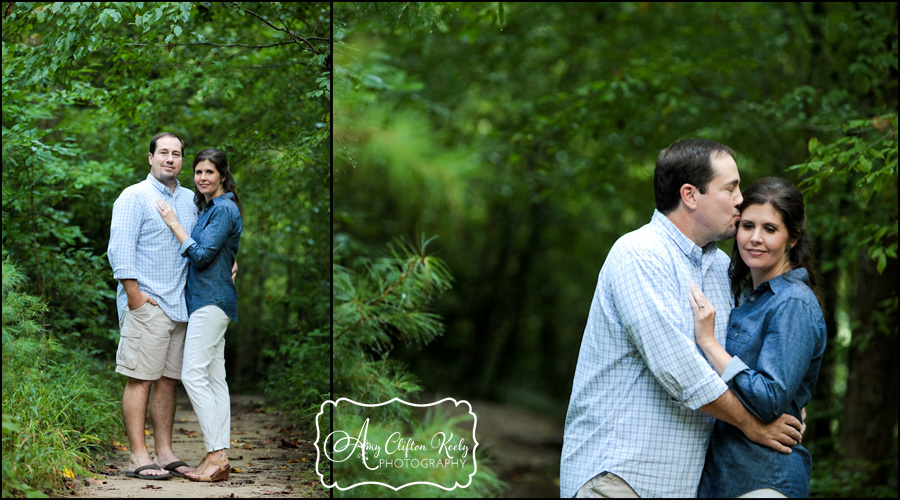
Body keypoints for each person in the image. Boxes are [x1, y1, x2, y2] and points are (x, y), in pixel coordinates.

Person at [560, 138, 804, 498]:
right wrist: (754, 424)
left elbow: (745, 358)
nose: (741, 199)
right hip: (618, 476)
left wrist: (792, 393)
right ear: (690, 195)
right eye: (730, 188)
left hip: (681, 484)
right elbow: (679, 370)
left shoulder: (723, 268)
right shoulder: (639, 254)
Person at [689, 177, 826, 498]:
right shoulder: (747, 297)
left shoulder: (792, 301)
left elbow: (769, 398)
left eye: (770, 229)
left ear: (792, 237)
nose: (755, 238)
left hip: (765, 480)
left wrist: (710, 344)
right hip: (725, 478)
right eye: (747, 225)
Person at [108, 132, 199, 479]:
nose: (170, 159)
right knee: (141, 379)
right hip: (147, 303)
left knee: (167, 381)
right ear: (150, 157)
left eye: (176, 154)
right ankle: (138, 456)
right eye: (164, 152)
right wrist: (135, 297)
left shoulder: (192, 200)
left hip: (181, 305)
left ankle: (164, 452)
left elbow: (198, 245)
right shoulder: (134, 196)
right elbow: (119, 250)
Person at [156, 148, 242, 482]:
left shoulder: (222, 208)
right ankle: (220, 456)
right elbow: (222, 254)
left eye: (209, 172)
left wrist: (175, 224)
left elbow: (203, 256)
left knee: (192, 375)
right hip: (212, 300)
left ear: (222, 174)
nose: (202, 178)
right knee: (214, 379)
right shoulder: (213, 208)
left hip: (211, 301)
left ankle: (215, 455)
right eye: (198, 173)